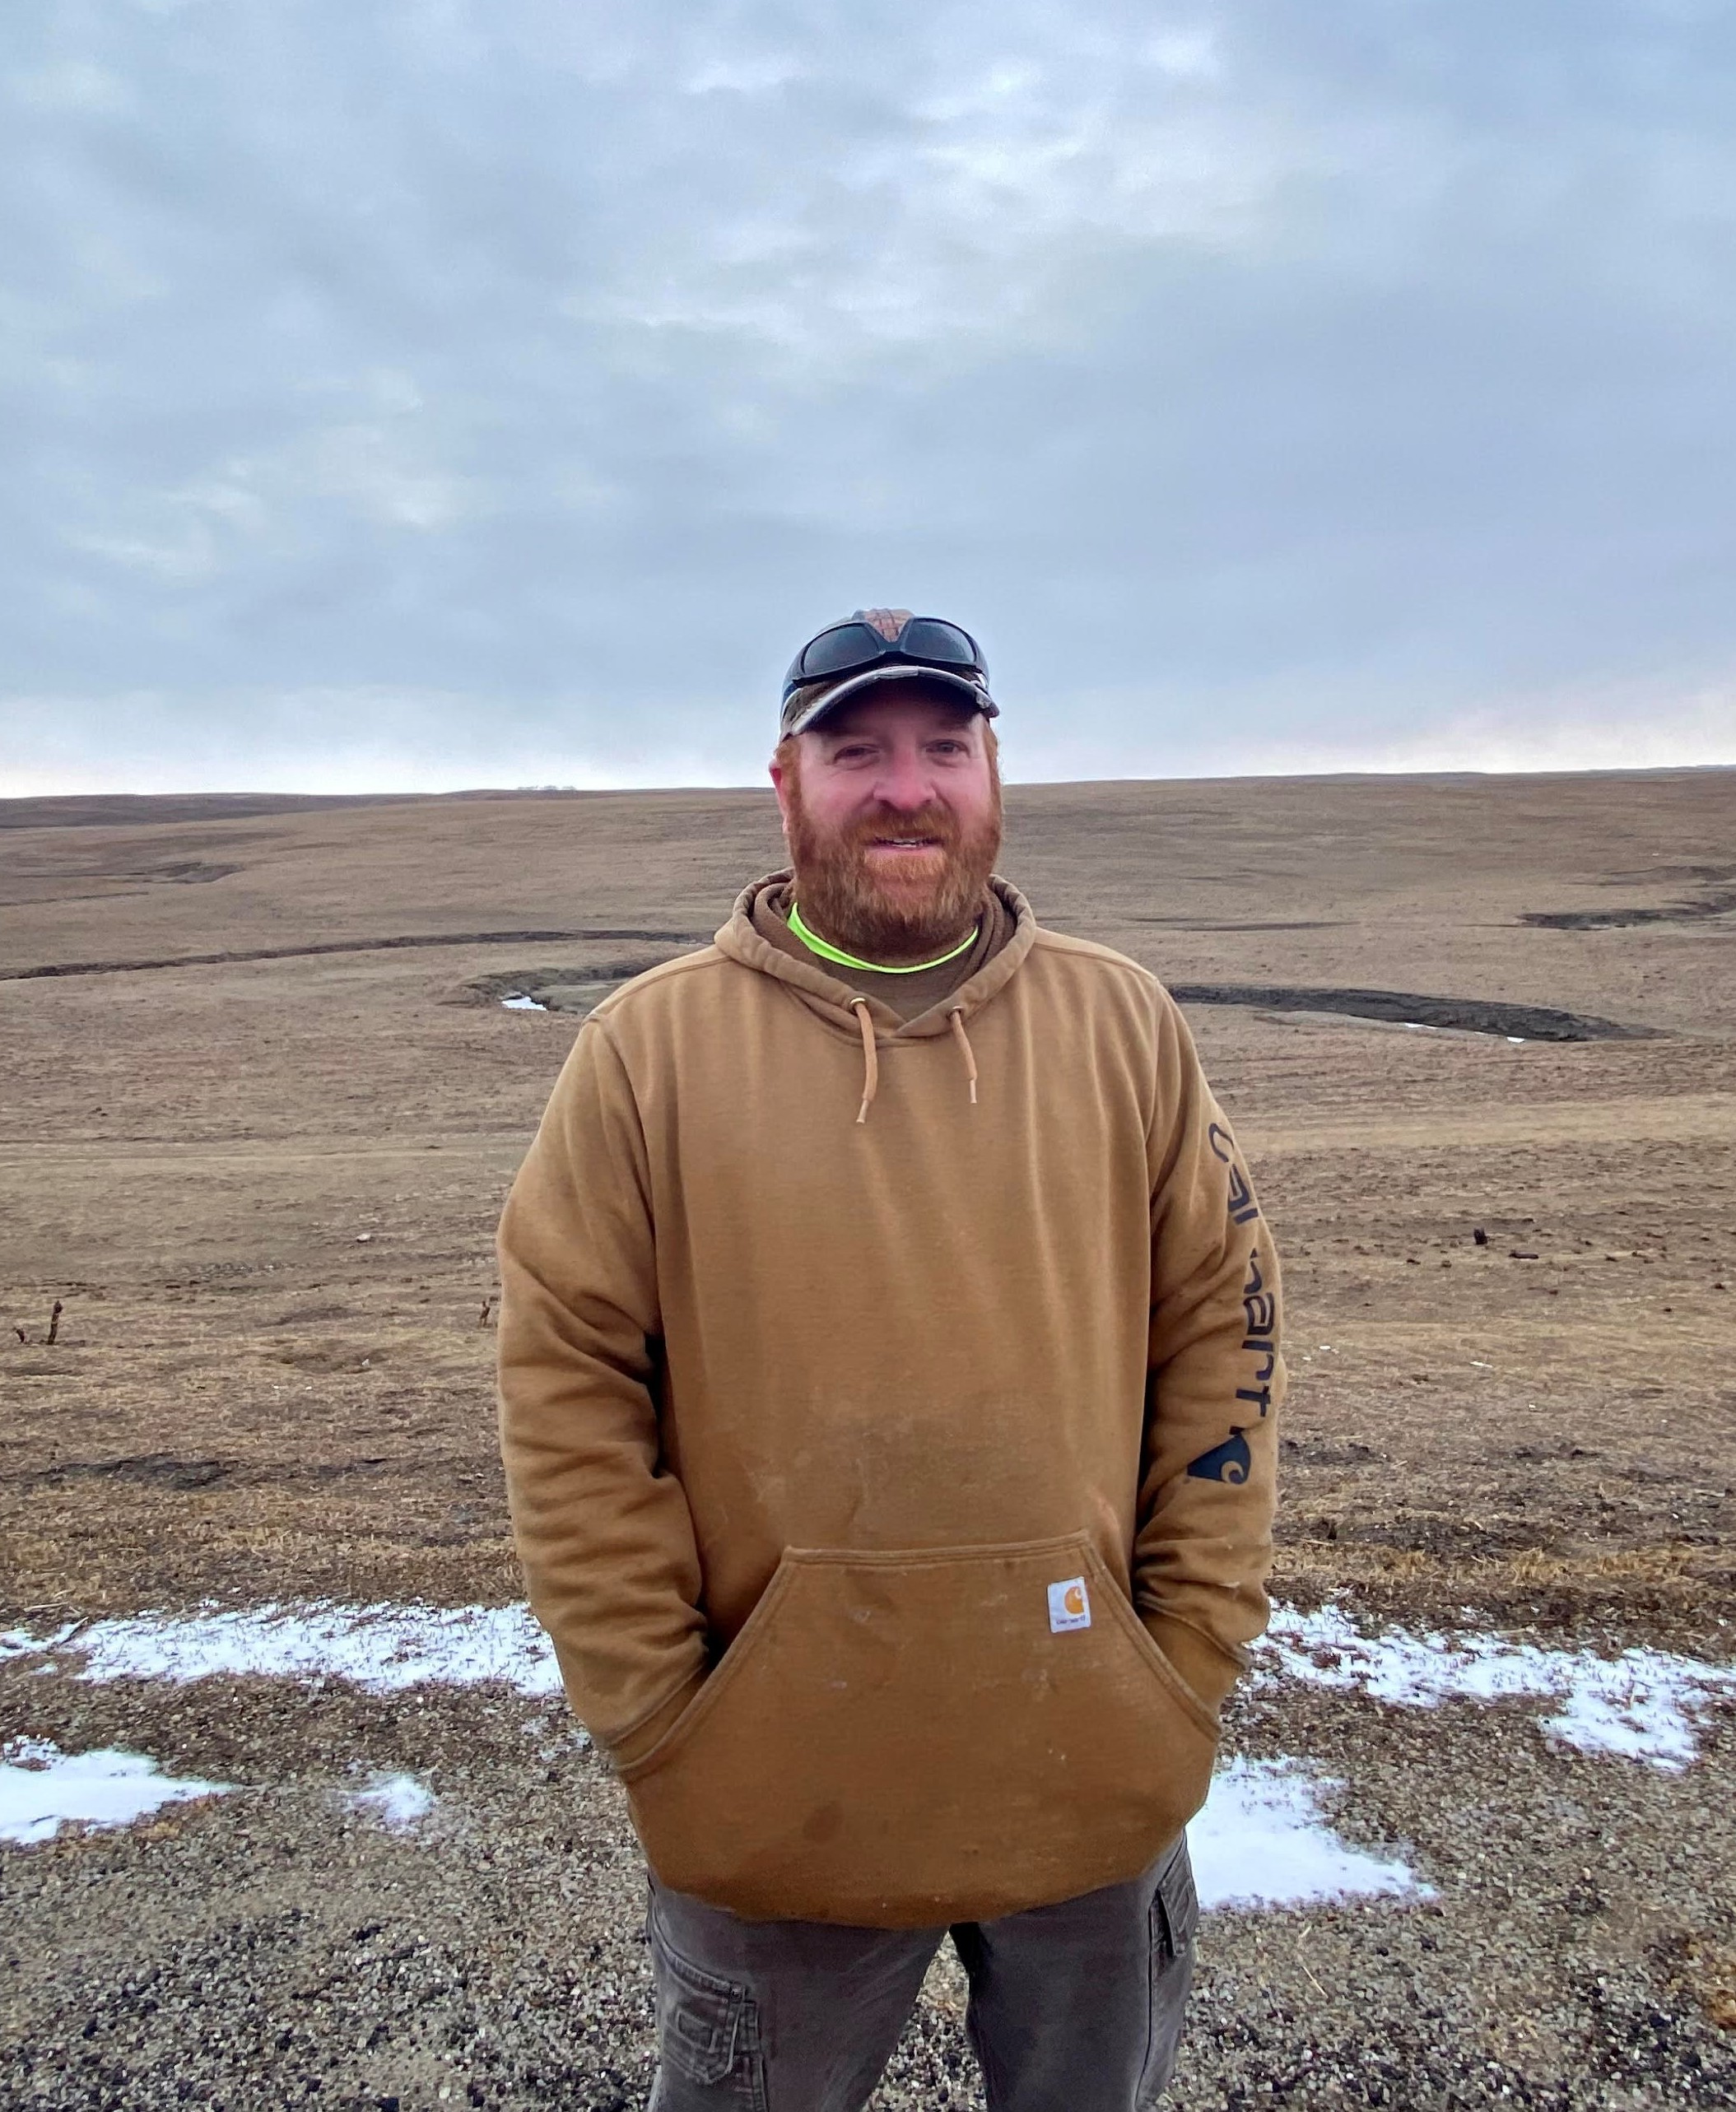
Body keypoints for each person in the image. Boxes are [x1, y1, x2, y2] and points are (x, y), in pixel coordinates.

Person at [496, 609, 1283, 2112]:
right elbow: (568, 1383)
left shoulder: (1121, 1024)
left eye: (943, 746)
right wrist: (662, 1716)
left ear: (994, 777)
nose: (904, 786)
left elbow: (1221, 1330)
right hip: (773, 1794)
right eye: (856, 750)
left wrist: (1183, 1662)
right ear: (784, 784)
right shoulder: (645, 1053)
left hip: (1091, 1764)